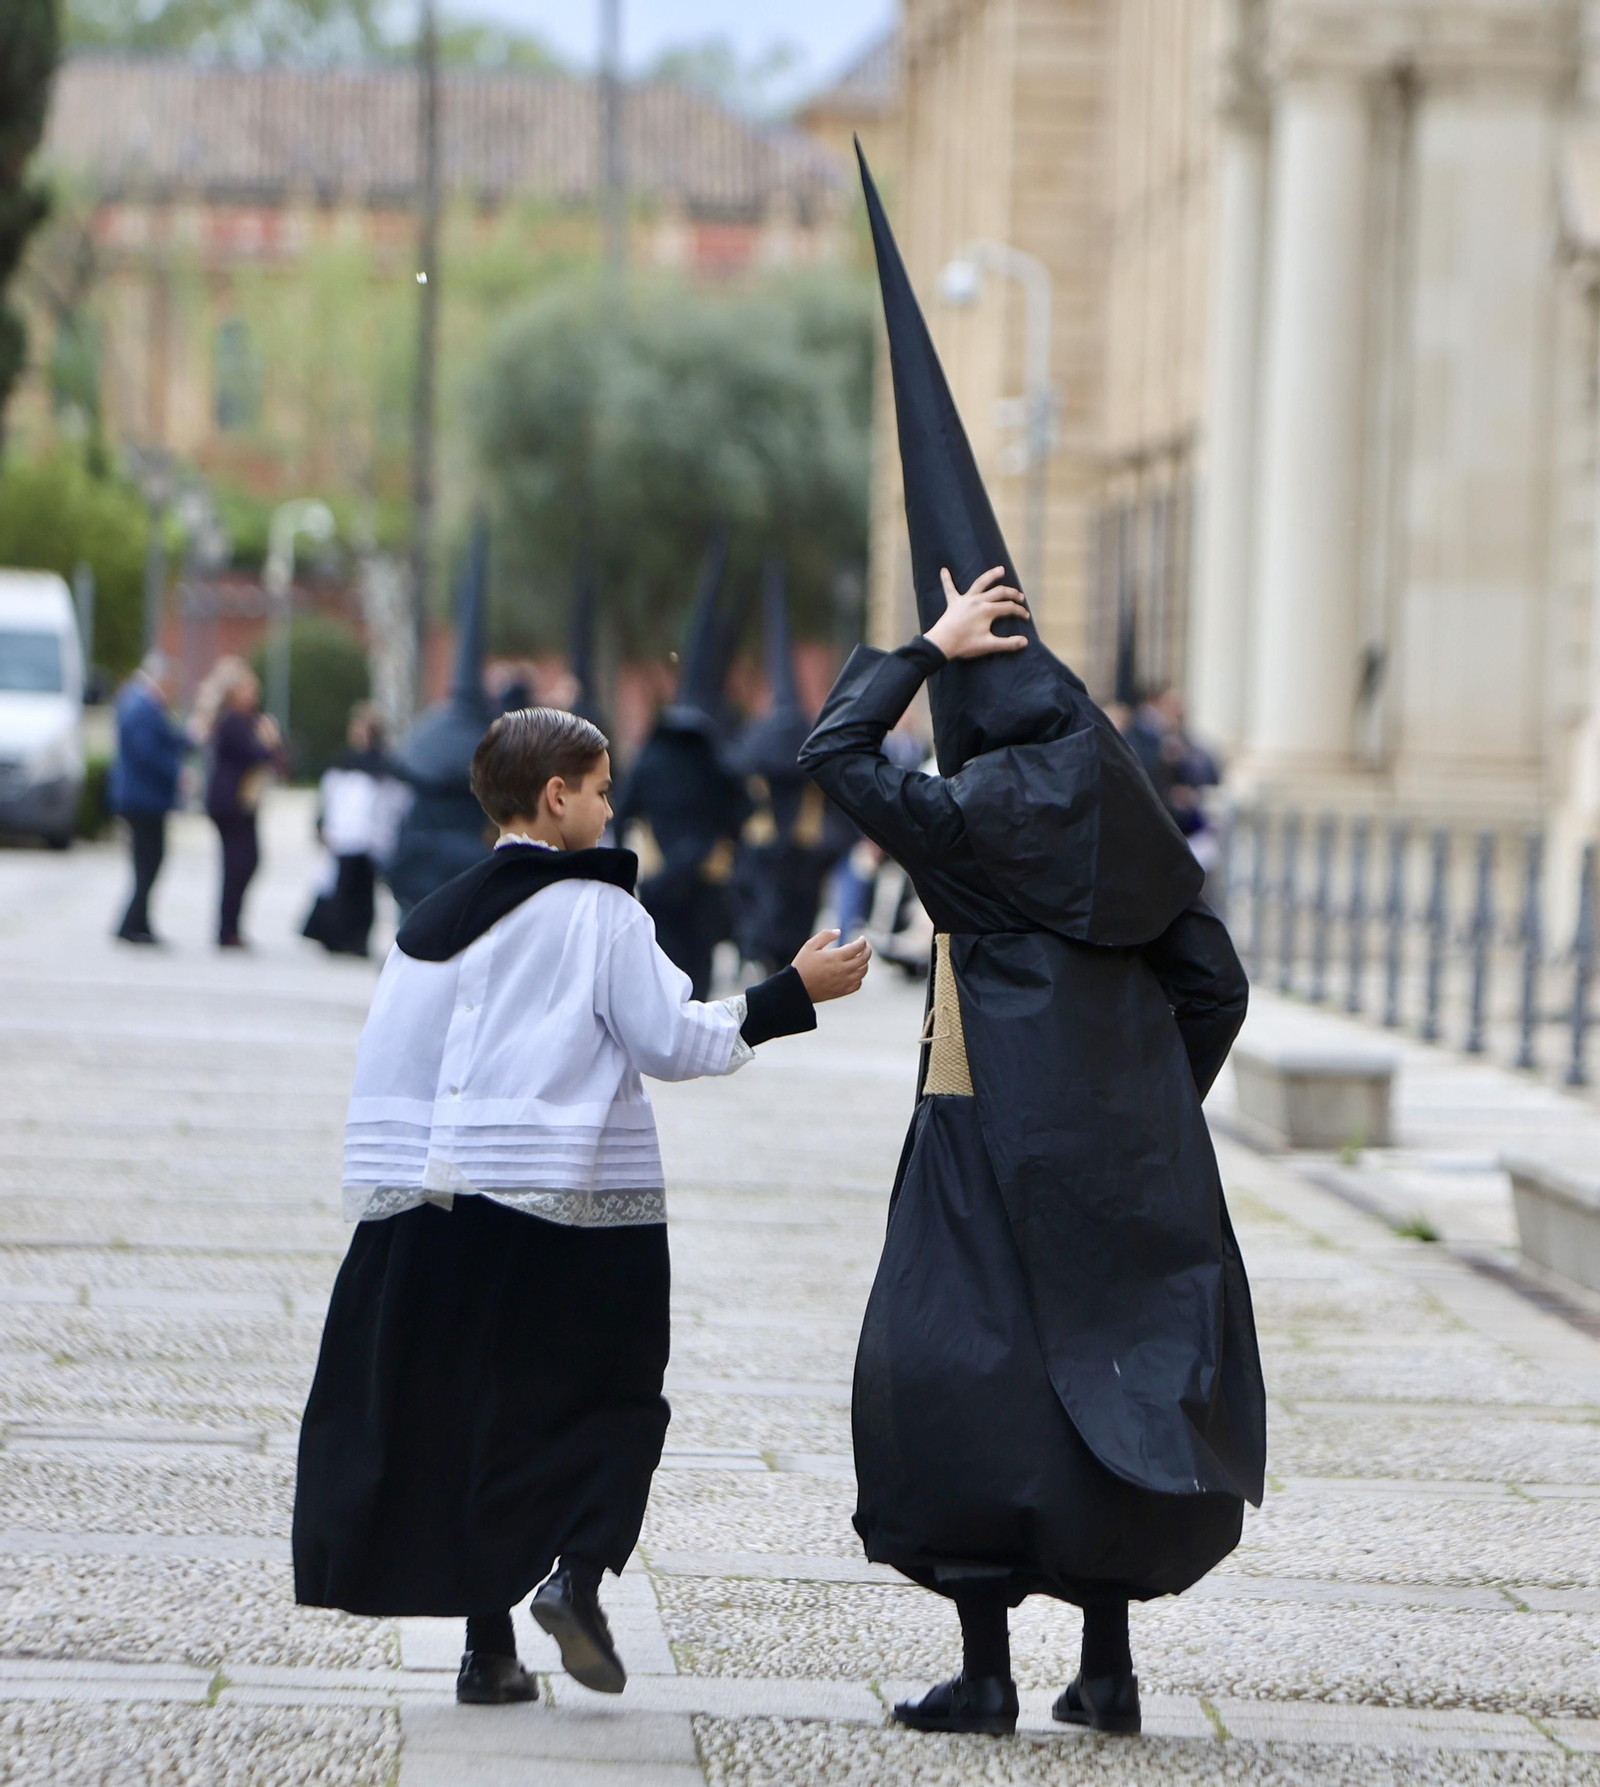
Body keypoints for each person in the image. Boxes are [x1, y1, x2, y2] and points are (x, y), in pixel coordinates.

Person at [794, 149, 1267, 1740]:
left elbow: (834, 757)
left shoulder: (974, 815)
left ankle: (991, 1668)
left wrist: (915, 654)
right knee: (1119, 1368)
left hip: (980, 1113)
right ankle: (1111, 1664)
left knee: (957, 1362)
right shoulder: (1128, 793)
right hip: (1122, 1136)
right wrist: (1142, 1082)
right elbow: (1215, 975)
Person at [293, 706, 869, 1706]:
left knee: (479, 1415)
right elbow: (674, 1039)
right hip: (576, 1214)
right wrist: (793, 990)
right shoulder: (598, 910)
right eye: (600, 788)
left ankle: (487, 1653)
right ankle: (575, 1576)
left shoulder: (430, 919)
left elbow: (394, 1064)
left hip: (430, 1212)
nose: (611, 805)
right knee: (611, 1397)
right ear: (555, 796)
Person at [613, 541, 749, 998]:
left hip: (663, 873)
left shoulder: (652, 757)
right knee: (701, 959)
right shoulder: (718, 758)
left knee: (667, 957)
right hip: (707, 876)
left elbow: (624, 808)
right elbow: (741, 812)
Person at [302, 702, 411, 959]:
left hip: (363, 836)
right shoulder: (351, 762)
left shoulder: (379, 766)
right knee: (346, 889)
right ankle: (343, 937)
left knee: (359, 892)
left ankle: (354, 939)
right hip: (350, 835)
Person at [194, 656, 283, 950]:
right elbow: (257, 754)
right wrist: (269, 741)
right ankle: (227, 929)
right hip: (230, 802)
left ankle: (231, 926)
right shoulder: (232, 720)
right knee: (238, 863)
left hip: (244, 801)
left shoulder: (247, 720)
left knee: (245, 861)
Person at [108, 650, 189, 945]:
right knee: (148, 861)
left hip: (143, 798)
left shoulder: (144, 704)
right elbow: (147, 753)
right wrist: (177, 773)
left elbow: (164, 741)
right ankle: (131, 924)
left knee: (149, 862)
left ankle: (139, 922)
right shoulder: (141, 705)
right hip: (141, 799)